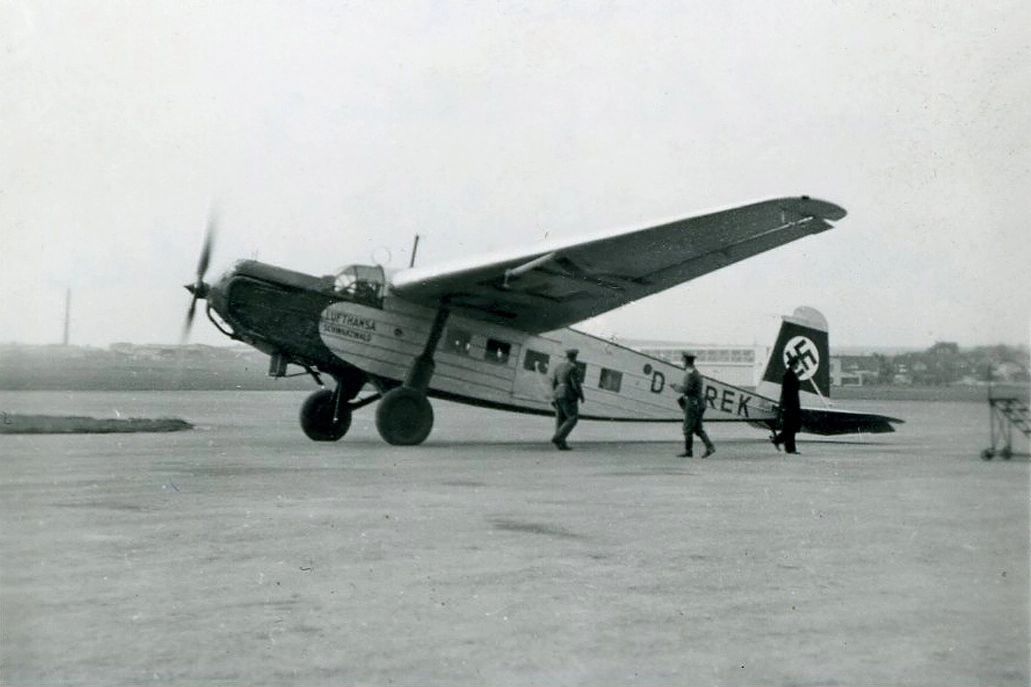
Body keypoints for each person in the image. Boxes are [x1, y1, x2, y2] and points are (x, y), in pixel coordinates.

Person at [671, 351, 715, 458]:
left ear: (686, 361)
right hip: (699, 403)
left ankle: (688, 451)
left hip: (693, 403)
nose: (682, 362)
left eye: (683, 360)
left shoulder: (690, 374)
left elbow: (687, 389)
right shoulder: (695, 372)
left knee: (687, 428)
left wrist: (676, 387)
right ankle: (710, 447)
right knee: (698, 429)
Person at [549, 348, 585, 450]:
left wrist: (555, 395)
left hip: (557, 394)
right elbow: (575, 384)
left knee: (560, 419)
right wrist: (581, 396)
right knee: (572, 418)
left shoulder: (558, 367)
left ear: (566, 356)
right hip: (568, 394)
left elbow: (554, 383)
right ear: (575, 357)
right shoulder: (573, 367)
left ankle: (561, 444)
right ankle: (558, 438)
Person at [772, 355, 802, 454]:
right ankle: (788, 447)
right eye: (797, 363)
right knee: (790, 427)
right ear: (794, 364)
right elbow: (786, 391)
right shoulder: (788, 375)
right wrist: (785, 405)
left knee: (789, 427)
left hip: (792, 403)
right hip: (790, 404)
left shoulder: (790, 374)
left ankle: (780, 442)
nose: (798, 365)